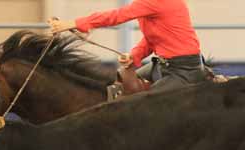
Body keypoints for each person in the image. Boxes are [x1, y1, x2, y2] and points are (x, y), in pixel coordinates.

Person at [48, 0, 208, 92]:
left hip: (184, 71)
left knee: (147, 104)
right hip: (164, 65)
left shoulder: (154, 1)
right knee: (121, 85)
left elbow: (117, 16)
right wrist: (134, 56)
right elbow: (152, 39)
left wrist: (74, 23)